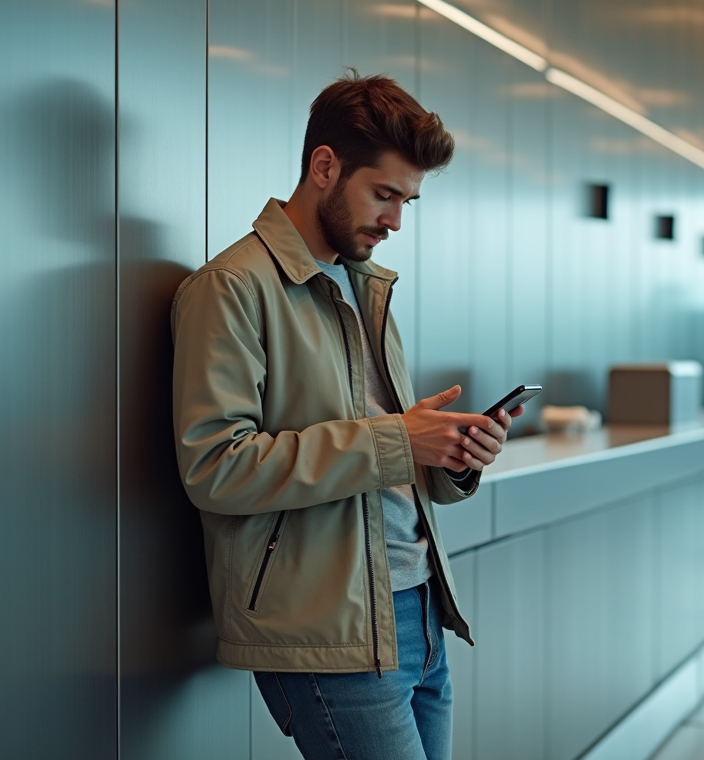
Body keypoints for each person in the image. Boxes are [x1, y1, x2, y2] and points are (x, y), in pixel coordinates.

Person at [171, 72, 520, 760]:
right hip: (330, 629)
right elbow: (216, 467)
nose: (395, 220)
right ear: (324, 166)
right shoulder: (230, 288)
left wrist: (450, 453)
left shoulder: (363, 285)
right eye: (384, 194)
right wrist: (398, 439)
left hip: (418, 608)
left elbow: (383, 452)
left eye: (407, 200)